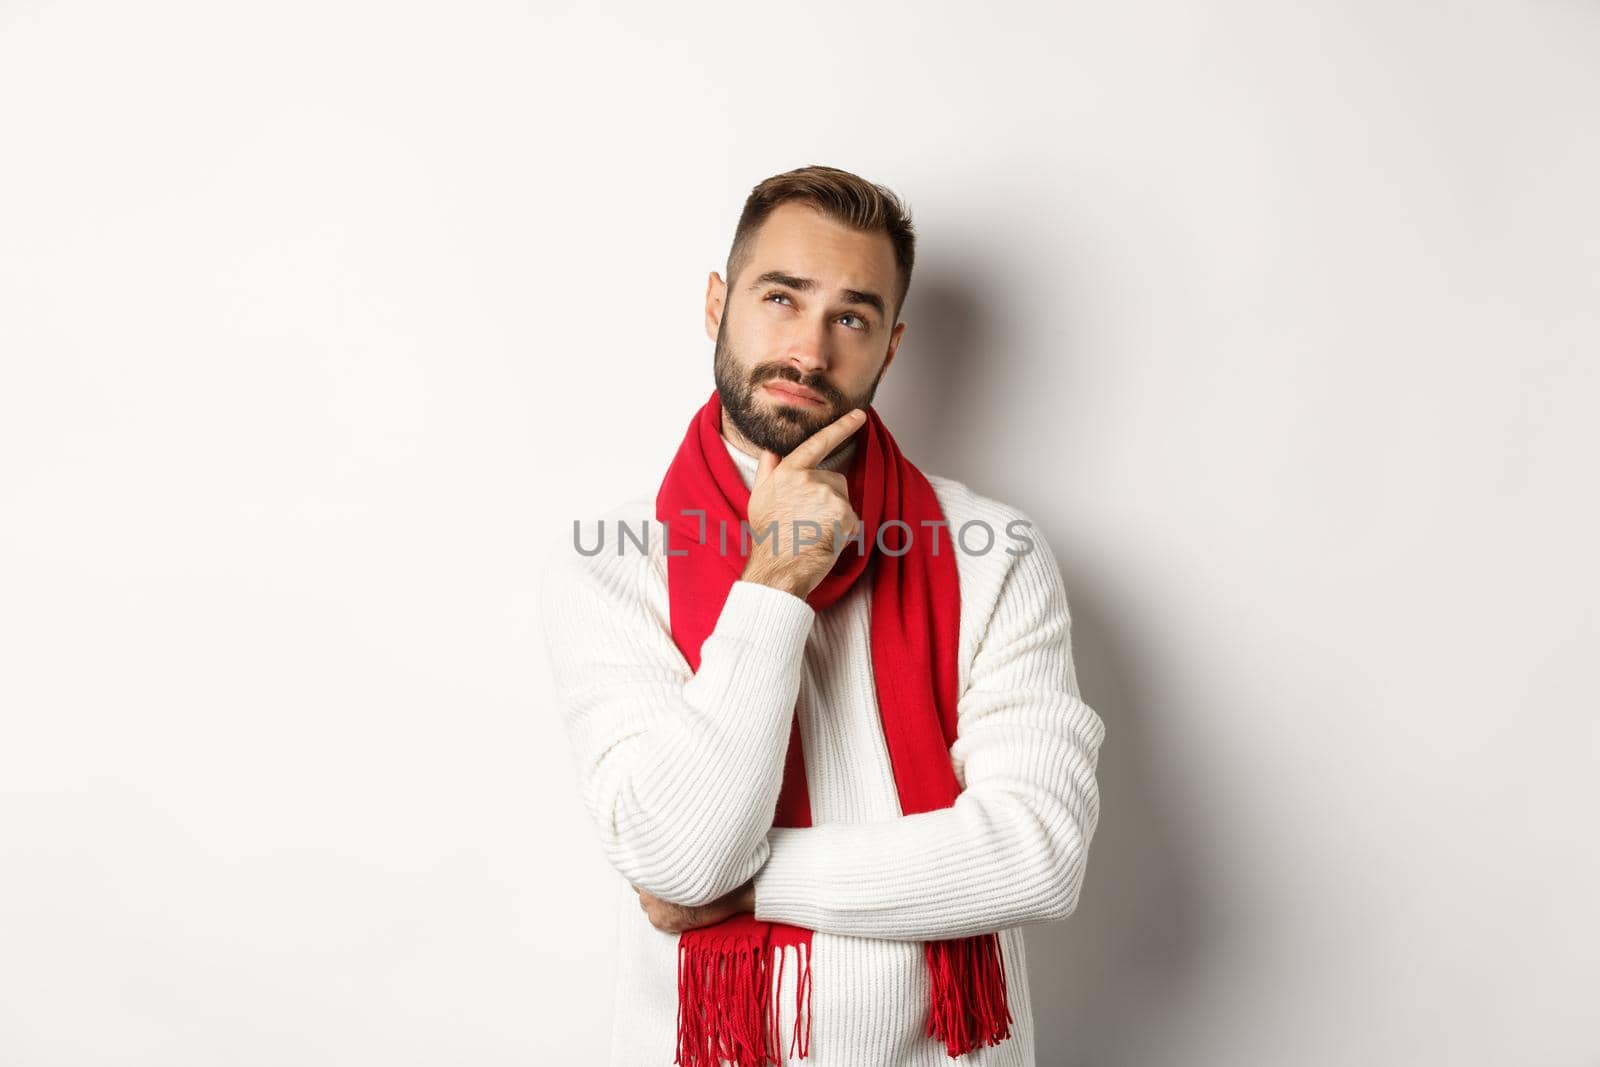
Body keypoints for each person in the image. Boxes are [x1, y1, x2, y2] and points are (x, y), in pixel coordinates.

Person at [539, 164, 1107, 1066]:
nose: (809, 351)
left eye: (852, 316)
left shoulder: (991, 547)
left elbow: (1038, 853)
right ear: (718, 301)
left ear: (891, 346)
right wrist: (774, 582)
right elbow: (681, 856)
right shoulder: (614, 561)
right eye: (780, 298)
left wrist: (750, 889)